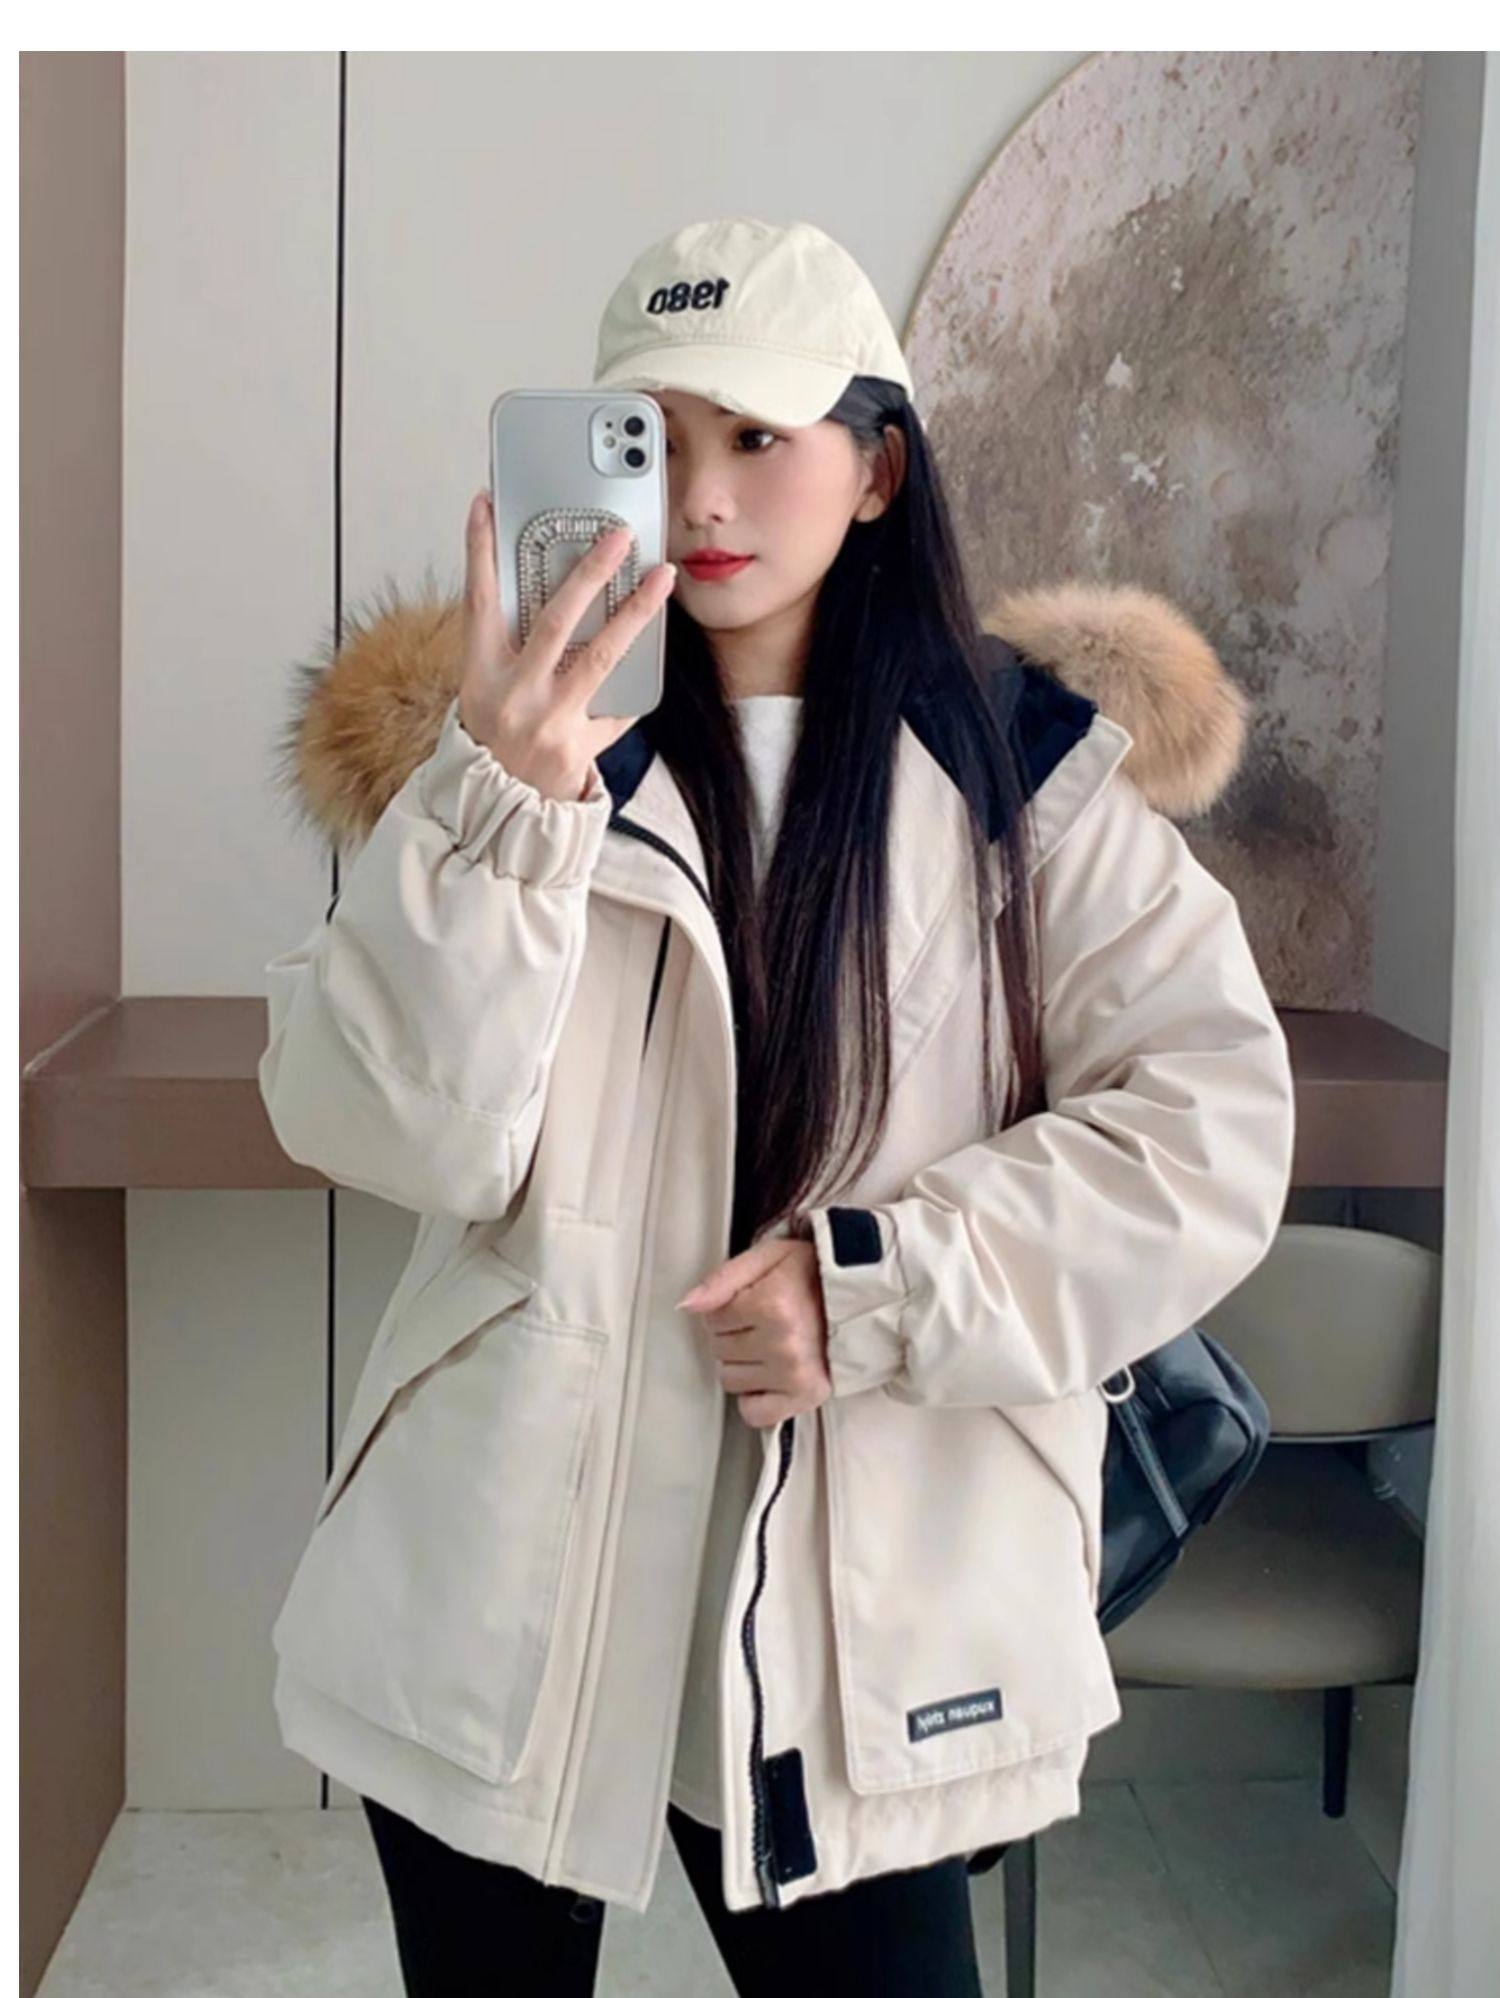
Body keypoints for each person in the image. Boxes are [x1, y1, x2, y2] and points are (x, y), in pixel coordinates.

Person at [258, 216, 1296, 1995]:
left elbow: (1211, 1127)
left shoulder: (1022, 778)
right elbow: (387, 1128)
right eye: (655, 438)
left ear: (878, 469)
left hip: (857, 1611)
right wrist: (499, 801)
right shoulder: (521, 756)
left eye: (759, 434)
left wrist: (880, 1284)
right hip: (509, 1579)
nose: (706, 495)